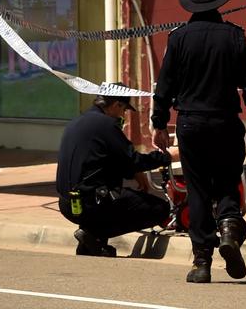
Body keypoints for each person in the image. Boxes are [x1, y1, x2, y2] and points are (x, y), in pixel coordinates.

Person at [152, 0, 246, 284]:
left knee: (197, 189)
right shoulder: (235, 37)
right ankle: (229, 228)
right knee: (228, 180)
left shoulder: (179, 38)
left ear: (192, 6)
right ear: (218, 5)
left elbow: (164, 87)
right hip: (225, 120)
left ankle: (201, 262)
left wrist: (159, 123)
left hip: (190, 123)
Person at [55, 85, 171, 258]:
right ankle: (93, 234)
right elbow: (134, 160)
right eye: (123, 110)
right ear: (117, 104)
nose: (123, 116)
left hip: (67, 203)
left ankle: (92, 243)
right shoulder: (106, 125)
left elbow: (111, 161)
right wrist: (166, 157)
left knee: (113, 197)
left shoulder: (78, 121)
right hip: (91, 203)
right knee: (160, 208)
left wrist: (135, 173)